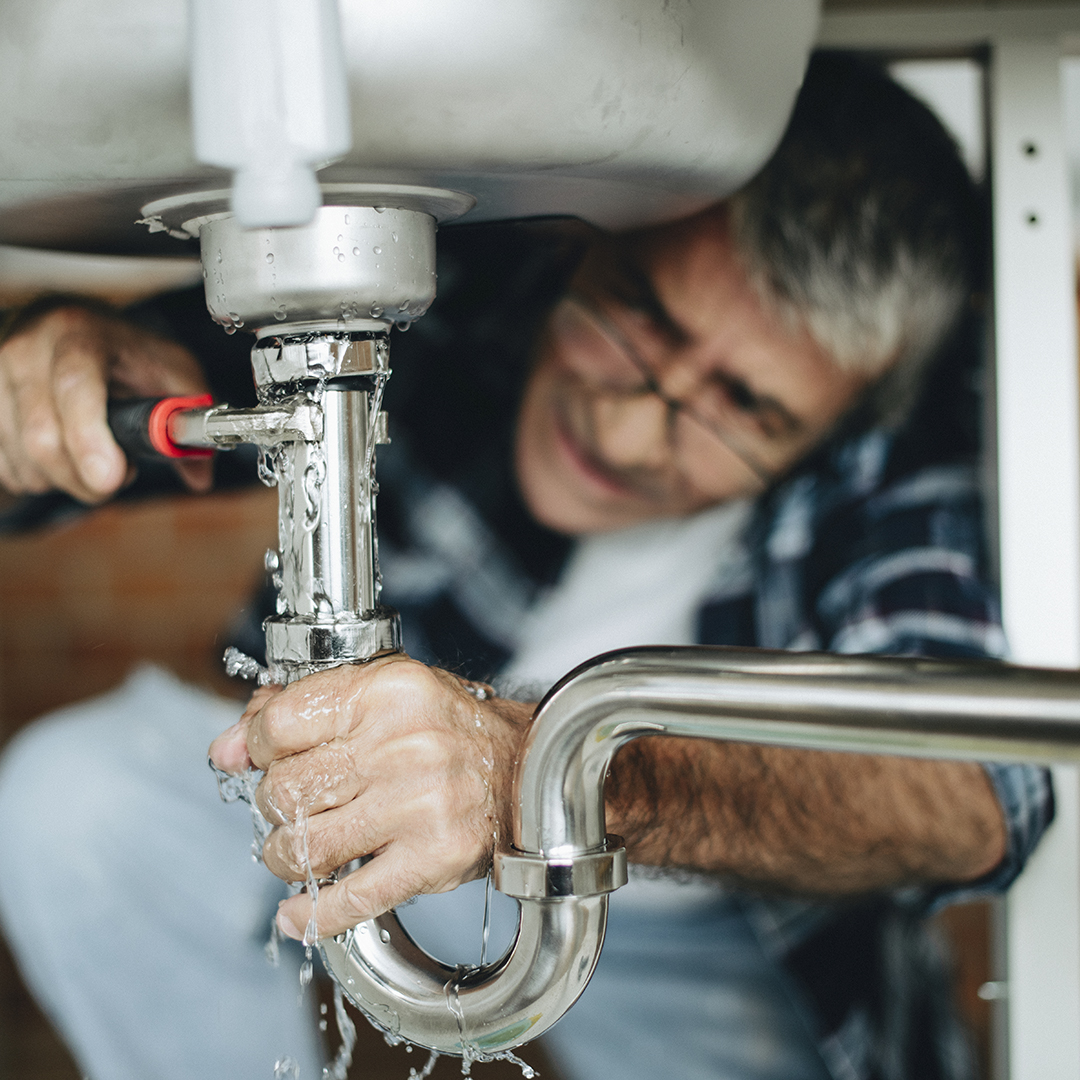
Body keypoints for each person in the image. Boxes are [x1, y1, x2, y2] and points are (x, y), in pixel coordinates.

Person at [0, 53, 1051, 1080]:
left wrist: (548, 779)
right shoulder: (478, 288)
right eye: (639, 315)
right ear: (599, 243)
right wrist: (44, 365)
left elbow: (968, 795)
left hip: (707, 918)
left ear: (834, 427)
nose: (634, 433)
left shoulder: (905, 437)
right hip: (379, 808)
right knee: (78, 805)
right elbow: (117, 402)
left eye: (746, 408)